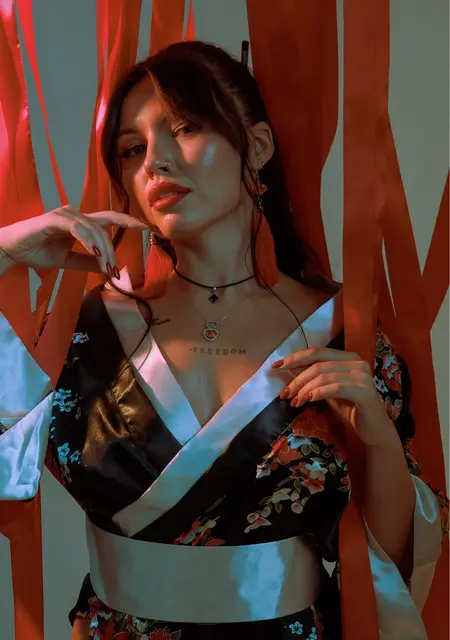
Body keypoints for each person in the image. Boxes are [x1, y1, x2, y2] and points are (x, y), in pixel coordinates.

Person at [0, 41, 446, 640]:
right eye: (133, 149)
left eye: (184, 128)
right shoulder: (88, 330)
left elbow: (391, 555)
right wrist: (4, 254)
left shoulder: (343, 329)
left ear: (256, 147)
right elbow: (8, 458)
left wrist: (379, 437)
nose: (155, 162)